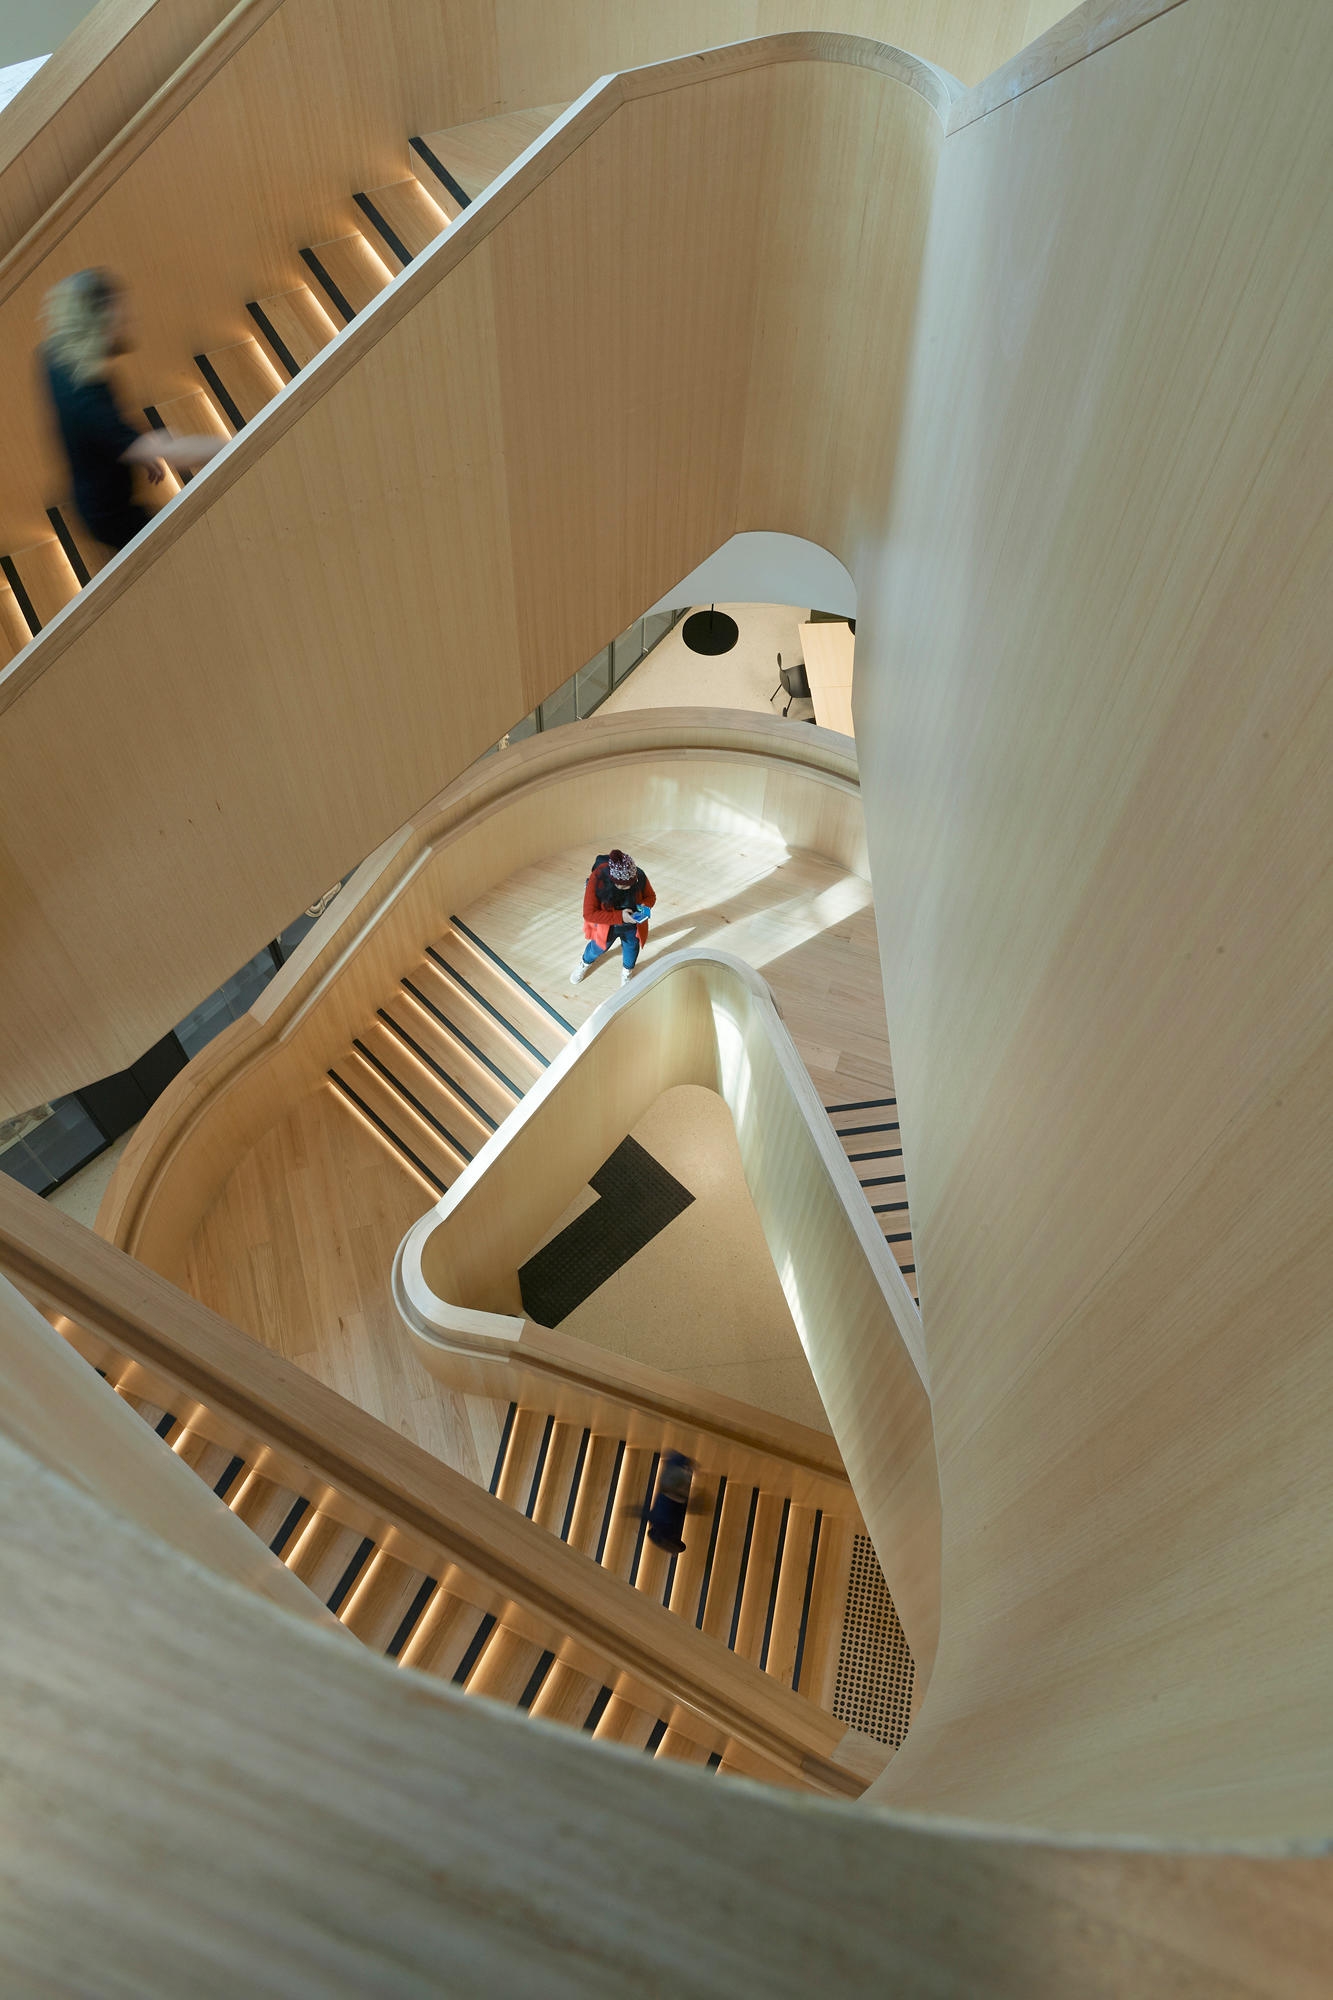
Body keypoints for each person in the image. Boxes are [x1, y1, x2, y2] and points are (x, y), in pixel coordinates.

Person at [41, 268, 224, 553]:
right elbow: (175, 453)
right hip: (109, 517)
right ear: (100, 323)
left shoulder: (58, 356)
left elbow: (102, 427)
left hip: (90, 488)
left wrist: (130, 443)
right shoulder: (88, 404)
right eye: (122, 318)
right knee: (185, 549)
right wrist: (237, 444)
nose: (129, 321)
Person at [571, 848, 655, 988]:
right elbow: (589, 913)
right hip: (606, 926)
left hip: (632, 926)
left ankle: (627, 973)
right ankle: (584, 963)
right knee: (596, 949)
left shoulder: (638, 876)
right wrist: (620, 916)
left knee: (632, 950)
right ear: (612, 880)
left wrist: (644, 907)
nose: (628, 888)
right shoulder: (597, 880)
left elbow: (650, 896)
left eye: (631, 885)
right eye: (623, 886)